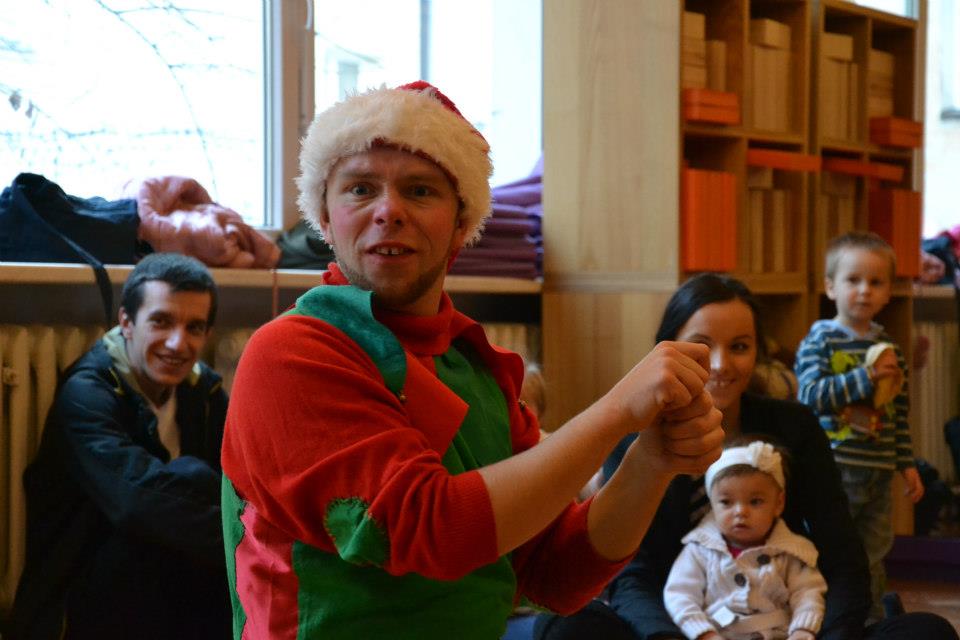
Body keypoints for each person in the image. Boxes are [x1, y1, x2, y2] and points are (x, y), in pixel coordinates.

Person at [220, 81, 725, 640]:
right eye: (361, 188)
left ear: (462, 223)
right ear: (323, 214)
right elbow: (427, 528)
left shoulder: (480, 368)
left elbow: (554, 575)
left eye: (419, 191)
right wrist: (615, 413)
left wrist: (650, 462)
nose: (388, 211)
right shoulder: (290, 353)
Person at [534, 272, 957, 640]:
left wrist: (825, 635)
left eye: (739, 346)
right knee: (566, 627)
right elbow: (633, 577)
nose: (720, 365)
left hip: (788, 624)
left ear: (758, 352)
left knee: (927, 631)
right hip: (681, 625)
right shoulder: (634, 441)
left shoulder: (795, 427)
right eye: (701, 346)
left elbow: (843, 558)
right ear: (667, 349)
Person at [9, 253, 231, 640]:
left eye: (194, 327)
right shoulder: (86, 393)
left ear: (207, 334)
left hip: (173, 579)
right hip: (85, 590)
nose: (177, 343)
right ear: (126, 322)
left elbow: (240, 483)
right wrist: (245, 533)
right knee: (185, 484)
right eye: (161, 321)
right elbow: (135, 502)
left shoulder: (205, 393)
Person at [795, 231, 924, 619]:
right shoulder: (820, 340)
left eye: (876, 282)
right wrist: (865, 378)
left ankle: (869, 618)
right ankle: (824, 615)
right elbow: (810, 395)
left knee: (874, 550)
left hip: (878, 472)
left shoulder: (891, 350)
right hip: (835, 468)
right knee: (832, 546)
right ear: (831, 287)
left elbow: (898, 413)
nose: (864, 290)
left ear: (888, 292)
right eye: (853, 280)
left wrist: (906, 463)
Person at [663, 439, 827, 640]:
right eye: (726, 502)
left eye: (755, 501)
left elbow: (807, 594)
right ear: (712, 504)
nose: (740, 511)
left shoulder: (792, 552)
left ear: (778, 503)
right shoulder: (699, 550)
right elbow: (680, 596)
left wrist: (803, 629)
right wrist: (703, 633)